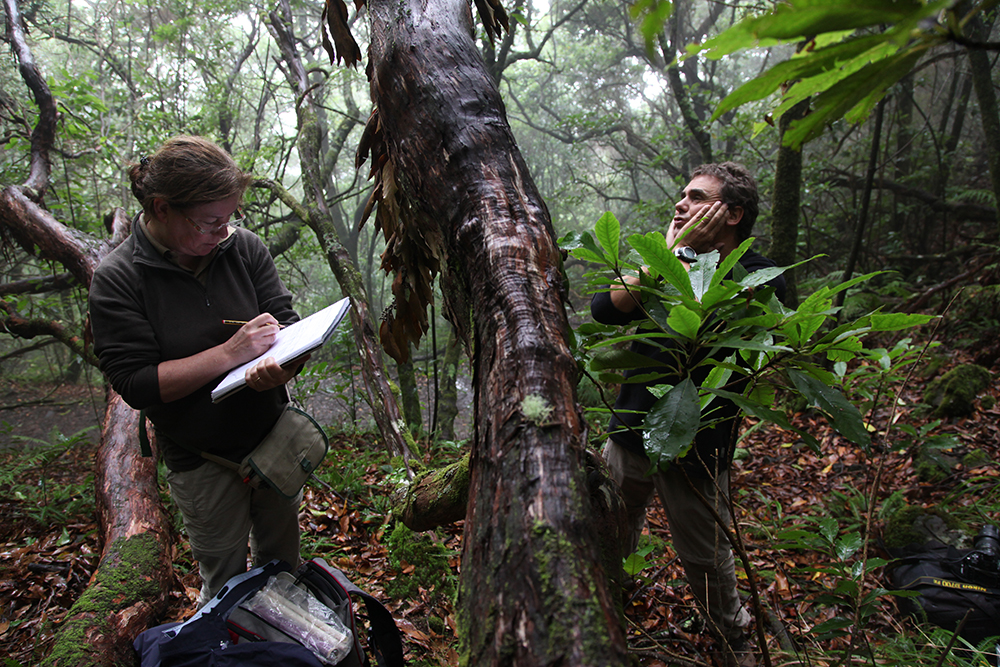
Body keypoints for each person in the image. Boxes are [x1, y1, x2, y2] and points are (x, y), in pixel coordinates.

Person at [89, 136, 308, 606]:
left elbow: (287, 325)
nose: (220, 233)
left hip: (274, 440)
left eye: (228, 220)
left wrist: (282, 368)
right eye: (209, 222)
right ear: (161, 207)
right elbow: (136, 383)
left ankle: (283, 647)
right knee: (224, 586)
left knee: (282, 571)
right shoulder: (119, 279)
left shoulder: (243, 249)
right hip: (201, 458)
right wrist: (231, 353)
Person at [591, 162, 786, 667]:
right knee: (611, 528)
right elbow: (604, 309)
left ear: (734, 214)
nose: (681, 204)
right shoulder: (661, 268)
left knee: (705, 557)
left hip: (700, 444)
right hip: (630, 431)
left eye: (697, 197)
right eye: (682, 195)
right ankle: (609, 610)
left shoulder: (760, 277)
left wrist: (689, 260)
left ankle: (733, 641)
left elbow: (763, 340)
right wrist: (669, 257)